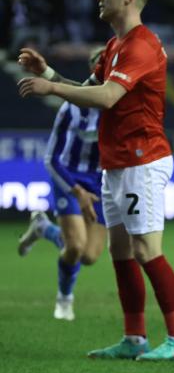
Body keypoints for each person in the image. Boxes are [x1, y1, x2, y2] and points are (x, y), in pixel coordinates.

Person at [17, 0, 174, 360]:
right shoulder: (116, 45)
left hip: (142, 160)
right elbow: (86, 91)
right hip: (116, 163)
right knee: (121, 252)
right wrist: (48, 75)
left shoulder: (142, 45)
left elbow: (109, 97)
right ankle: (134, 337)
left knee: (147, 251)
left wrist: (52, 90)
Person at [17, 47, 107, 322]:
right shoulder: (71, 109)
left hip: (99, 182)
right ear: (91, 71)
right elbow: (51, 159)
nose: (101, 69)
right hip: (68, 177)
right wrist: (76, 190)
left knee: (90, 256)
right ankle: (64, 299)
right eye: (97, 64)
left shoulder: (116, 107)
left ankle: (44, 228)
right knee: (76, 247)